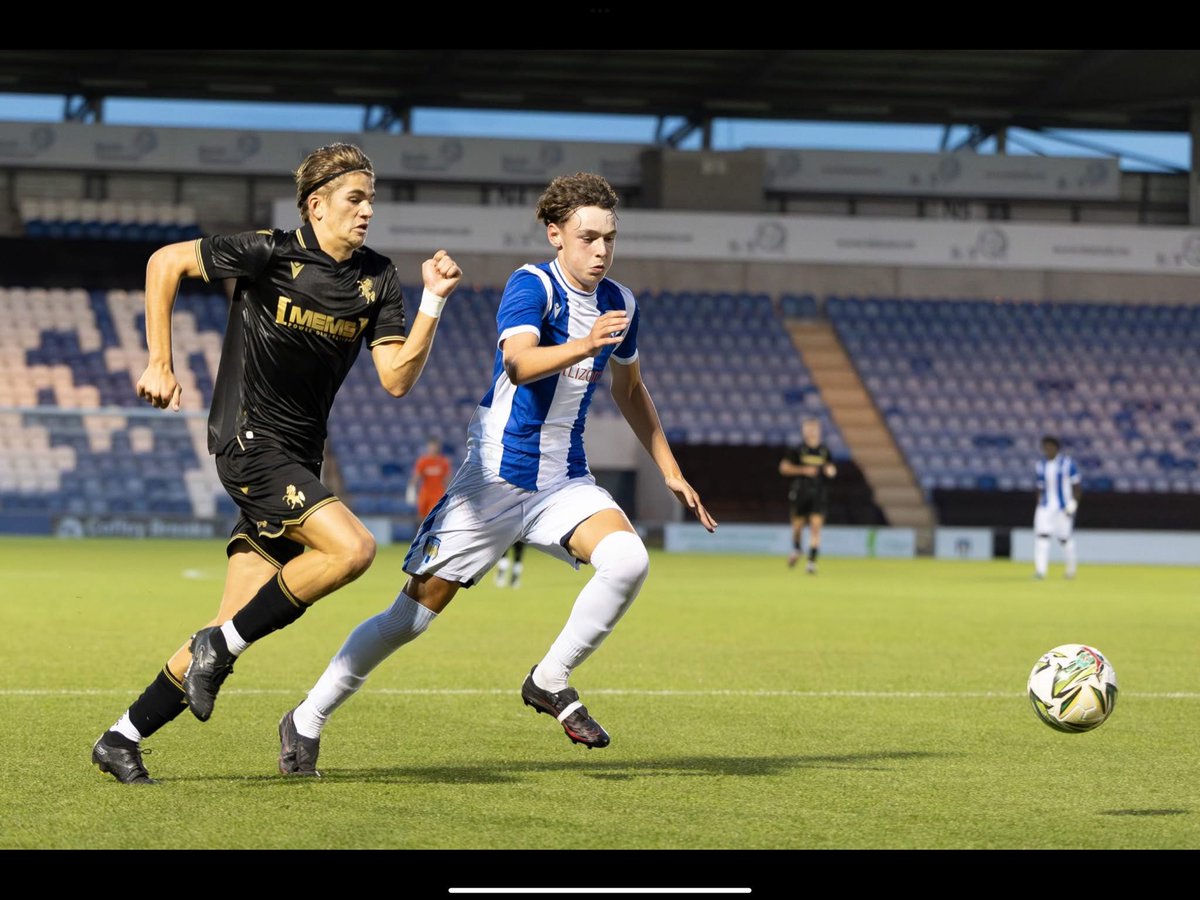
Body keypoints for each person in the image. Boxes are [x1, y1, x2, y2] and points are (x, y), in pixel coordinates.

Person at [274, 172, 717, 777]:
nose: (601, 251)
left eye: (609, 238)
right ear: (556, 234)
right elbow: (520, 360)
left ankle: (548, 678)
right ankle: (307, 717)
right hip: (493, 481)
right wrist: (585, 346)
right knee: (410, 618)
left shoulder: (621, 302)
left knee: (630, 560)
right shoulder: (531, 284)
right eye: (587, 238)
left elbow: (631, 387)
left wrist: (670, 469)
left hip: (564, 479)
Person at [90, 142, 463, 784]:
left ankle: (122, 736)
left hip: (300, 459)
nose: (367, 210)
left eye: (372, 198)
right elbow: (164, 262)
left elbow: (396, 378)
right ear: (316, 206)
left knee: (227, 618)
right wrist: (159, 360)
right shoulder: (269, 251)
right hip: (248, 442)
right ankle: (222, 649)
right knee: (352, 550)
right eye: (355, 198)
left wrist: (432, 302)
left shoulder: (377, 278)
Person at [778, 418, 836, 574]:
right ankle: (797, 549)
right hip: (800, 491)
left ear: (819, 430)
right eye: (808, 429)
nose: (811, 431)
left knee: (816, 527)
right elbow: (783, 468)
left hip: (818, 493)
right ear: (804, 431)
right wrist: (803, 470)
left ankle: (811, 563)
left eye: (814, 428)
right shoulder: (798, 450)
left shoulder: (824, 451)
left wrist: (831, 471)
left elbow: (830, 468)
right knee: (797, 526)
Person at [1034, 434, 1081, 579]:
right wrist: (1039, 504)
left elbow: (1077, 486)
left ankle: (1071, 570)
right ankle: (1041, 571)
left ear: (1056, 448)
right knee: (1042, 537)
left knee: (1064, 539)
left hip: (1063, 508)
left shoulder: (1068, 464)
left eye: (1050, 447)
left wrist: (1073, 504)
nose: (1047, 450)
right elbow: (1039, 487)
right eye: (1045, 447)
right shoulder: (1040, 465)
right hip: (1045, 507)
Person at [408, 437, 452, 520]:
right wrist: (412, 488)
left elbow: (448, 479)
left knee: (434, 517)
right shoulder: (423, 461)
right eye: (431, 446)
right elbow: (416, 477)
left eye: (434, 446)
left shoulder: (443, 461)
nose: (432, 448)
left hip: (437, 494)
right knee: (421, 518)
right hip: (425, 494)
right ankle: (421, 532)